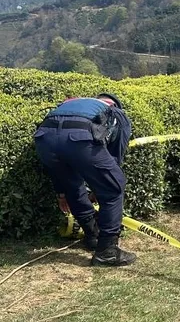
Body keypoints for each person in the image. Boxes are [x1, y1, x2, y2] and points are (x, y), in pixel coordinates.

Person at [33, 92, 136, 267]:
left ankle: (92, 235)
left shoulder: (72, 104)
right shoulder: (117, 113)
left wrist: (61, 192)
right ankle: (107, 252)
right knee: (114, 187)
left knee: (71, 186)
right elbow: (114, 156)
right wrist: (102, 186)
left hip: (44, 138)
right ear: (114, 104)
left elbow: (58, 142)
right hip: (80, 138)